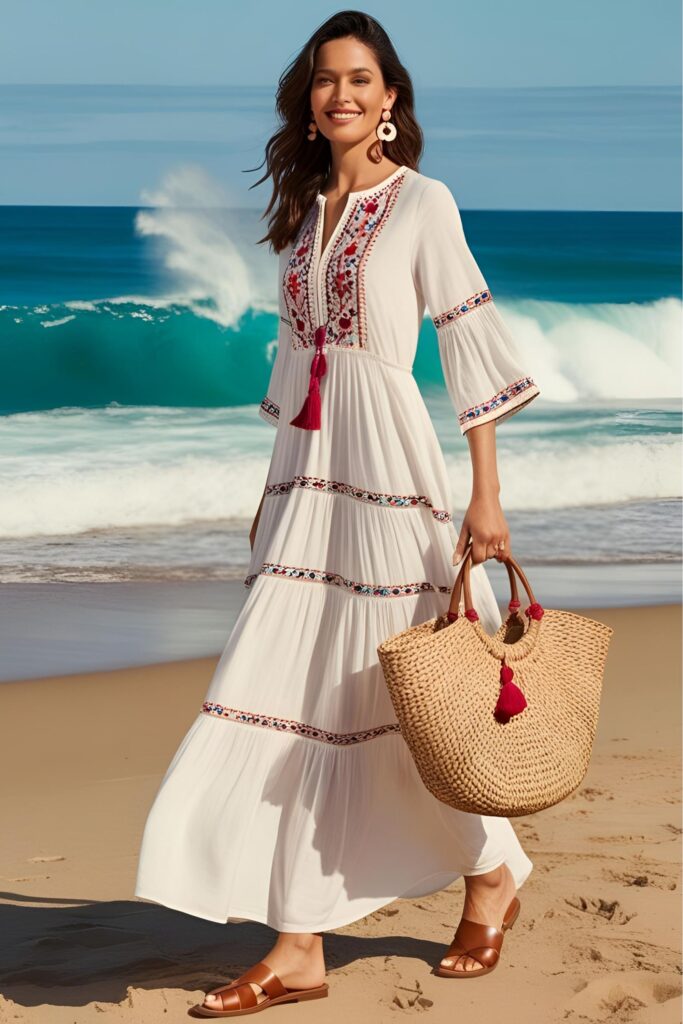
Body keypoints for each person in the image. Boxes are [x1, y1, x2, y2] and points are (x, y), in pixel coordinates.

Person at [135, 11, 541, 1017]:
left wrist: (486, 498)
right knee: (291, 692)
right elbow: (293, 362)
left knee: (408, 695)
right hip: (308, 476)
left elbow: (464, 343)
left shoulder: (421, 203)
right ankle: (299, 942)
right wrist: (271, 491)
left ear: (390, 97)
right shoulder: (308, 208)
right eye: (324, 80)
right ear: (307, 101)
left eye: (360, 78)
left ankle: (492, 870)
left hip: (390, 469)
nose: (341, 94)